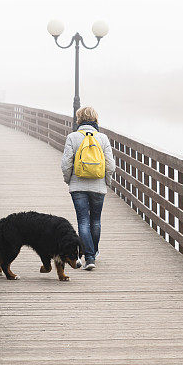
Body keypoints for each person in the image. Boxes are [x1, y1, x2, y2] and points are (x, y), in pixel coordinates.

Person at [61, 106, 116, 270]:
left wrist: (68, 180)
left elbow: (66, 164)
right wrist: (107, 181)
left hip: (78, 187)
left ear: (79, 120)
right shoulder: (103, 138)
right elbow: (110, 165)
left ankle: (89, 257)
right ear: (96, 119)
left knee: (83, 221)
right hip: (98, 187)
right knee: (96, 221)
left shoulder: (72, 137)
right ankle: (94, 252)